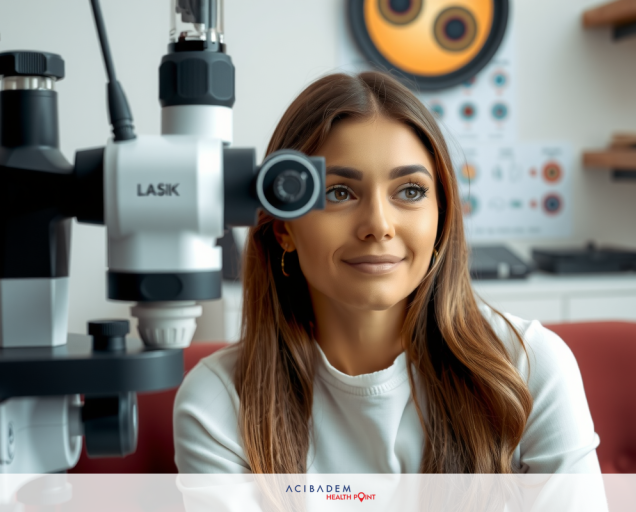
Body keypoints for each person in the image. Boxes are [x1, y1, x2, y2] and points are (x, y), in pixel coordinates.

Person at [174, 71, 600, 474]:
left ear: (441, 216)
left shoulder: (529, 370)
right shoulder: (218, 403)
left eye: (410, 191)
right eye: (339, 192)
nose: (379, 224)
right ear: (285, 227)